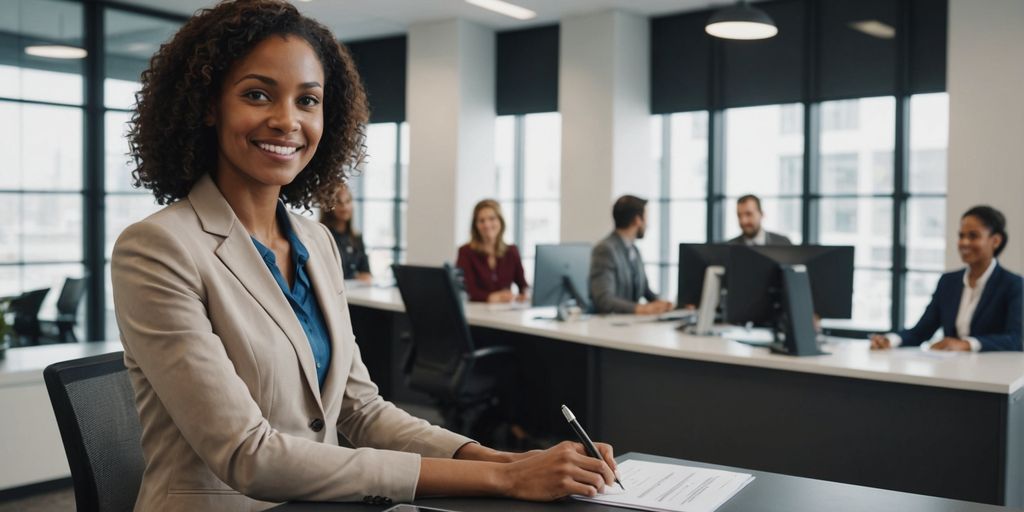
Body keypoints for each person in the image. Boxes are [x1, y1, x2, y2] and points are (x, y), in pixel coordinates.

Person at [113, 2, 618, 510]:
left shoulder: (316, 242)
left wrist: (499, 459)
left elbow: (361, 410)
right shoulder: (159, 248)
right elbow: (249, 454)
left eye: (308, 100)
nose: (287, 120)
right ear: (208, 105)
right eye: (257, 94)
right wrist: (502, 482)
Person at [871, 206, 1022, 352]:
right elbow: (921, 331)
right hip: (950, 371)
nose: (964, 242)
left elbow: (1015, 339)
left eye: (973, 236)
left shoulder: (1014, 285)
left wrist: (967, 344)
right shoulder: (948, 282)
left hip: (993, 374)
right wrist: (890, 340)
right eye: (961, 236)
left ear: (995, 241)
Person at [589, 195, 674, 315]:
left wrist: (668, 305)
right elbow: (604, 300)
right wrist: (642, 309)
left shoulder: (634, 250)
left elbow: (645, 290)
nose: (647, 225)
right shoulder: (605, 250)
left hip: (632, 326)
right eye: (646, 218)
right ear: (637, 220)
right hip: (609, 327)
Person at [456, 199, 529, 303]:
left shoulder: (512, 251)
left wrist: (525, 295)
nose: (487, 225)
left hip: (505, 312)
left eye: (492, 218)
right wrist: (491, 297)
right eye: (481, 220)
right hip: (476, 312)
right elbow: (467, 290)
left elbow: (523, 286)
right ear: (475, 225)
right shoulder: (465, 252)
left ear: (500, 221)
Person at [320, 184, 371, 282]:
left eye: (348, 201)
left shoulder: (356, 237)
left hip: (356, 294)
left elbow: (367, 275)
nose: (344, 206)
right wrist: (356, 276)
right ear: (329, 206)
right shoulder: (322, 236)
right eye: (338, 202)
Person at [727, 194, 793, 246]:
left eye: (748, 214)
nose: (743, 221)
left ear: (761, 214)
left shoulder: (783, 243)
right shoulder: (728, 247)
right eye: (739, 215)